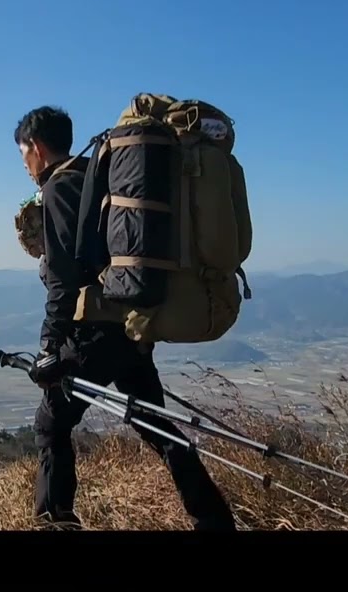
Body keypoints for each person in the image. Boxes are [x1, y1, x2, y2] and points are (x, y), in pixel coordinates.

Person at [13, 105, 238, 531]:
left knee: (50, 424)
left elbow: (63, 278)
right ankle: (214, 521)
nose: (24, 163)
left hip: (95, 332)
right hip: (133, 325)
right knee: (157, 426)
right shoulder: (99, 175)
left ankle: (55, 522)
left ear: (37, 147)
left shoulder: (59, 187)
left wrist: (49, 346)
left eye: (23, 153)